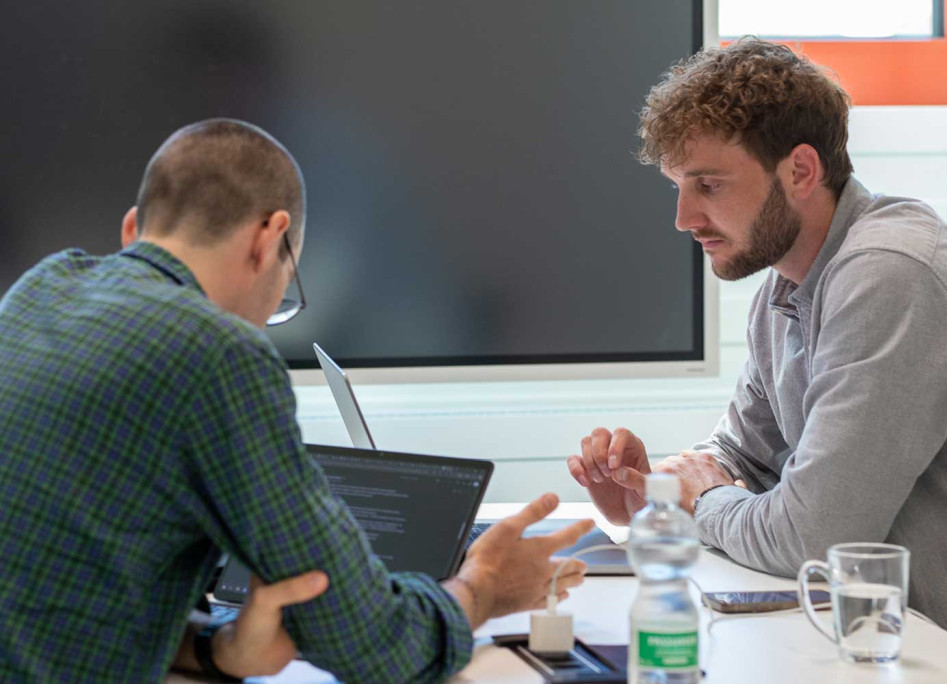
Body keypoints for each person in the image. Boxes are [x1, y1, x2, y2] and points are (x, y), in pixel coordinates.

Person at [0, 118, 594, 682]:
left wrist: (218, 651)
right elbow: (378, 648)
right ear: (269, 238)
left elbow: (58, 593)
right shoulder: (220, 352)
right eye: (287, 289)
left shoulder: (38, 290)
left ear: (134, 229)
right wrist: (485, 586)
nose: (267, 316)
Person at [567, 39, 947, 667]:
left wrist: (699, 501)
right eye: (679, 186)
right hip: (891, 643)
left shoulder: (892, 275)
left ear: (801, 171)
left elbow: (812, 537)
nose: (683, 217)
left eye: (708, 184)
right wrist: (659, 497)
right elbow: (743, 460)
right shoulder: (789, 285)